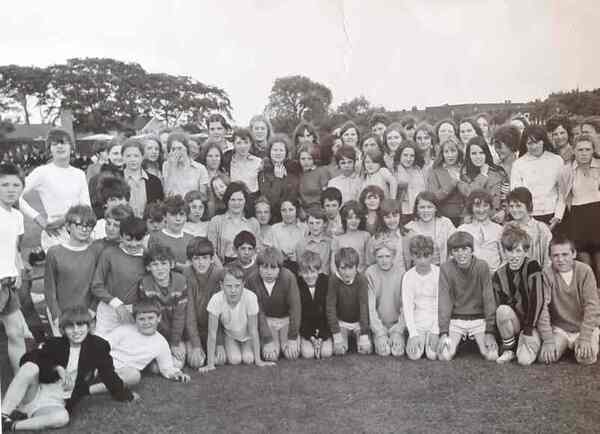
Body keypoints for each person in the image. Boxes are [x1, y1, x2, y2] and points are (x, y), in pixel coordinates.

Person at [1, 306, 136, 432]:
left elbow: (108, 375)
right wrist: (57, 368)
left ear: (88, 326)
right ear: (63, 329)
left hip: (54, 402)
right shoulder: (55, 343)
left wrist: (124, 395)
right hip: (34, 392)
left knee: (62, 417)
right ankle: (3, 415)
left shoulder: (98, 346)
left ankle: (11, 425)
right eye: (70, 326)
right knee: (30, 367)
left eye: (80, 325)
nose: (76, 331)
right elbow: (26, 359)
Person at [19, 128, 91, 251]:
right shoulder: (42, 172)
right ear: (50, 149)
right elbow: (14, 195)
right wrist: (38, 218)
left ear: (71, 147)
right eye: (55, 143)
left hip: (79, 230)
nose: (60, 146)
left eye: (63, 142)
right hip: (54, 233)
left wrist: (66, 219)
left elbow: (86, 206)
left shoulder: (79, 174)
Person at [199, 263, 276, 373]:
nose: (233, 290)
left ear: (243, 284)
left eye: (237, 286)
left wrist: (259, 361)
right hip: (230, 336)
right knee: (235, 359)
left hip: (248, 336)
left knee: (248, 359)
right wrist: (210, 364)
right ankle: (229, 349)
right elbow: (212, 333)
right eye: (229, 286)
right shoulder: (216, 299)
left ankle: (251, 351)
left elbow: (253, 330)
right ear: (221, 285)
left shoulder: (250, 297)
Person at [537, 236, 600, 365]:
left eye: (565, 254)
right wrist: (548, 340)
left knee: (586, 359)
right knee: (546, 358)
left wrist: (585, 337)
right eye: (555, 255)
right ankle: (566, 345)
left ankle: (586, 341)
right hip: (561, 329)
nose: (560, 259)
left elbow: (592, 306)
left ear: (574, 254)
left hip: (582, 327)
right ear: (550, 258)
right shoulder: (547, 274)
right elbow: (542, 308)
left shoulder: (584, 271)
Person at [437, 231, 499, 361]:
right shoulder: (446, 268)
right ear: (451, 253)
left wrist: (489, 331)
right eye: (456, 250)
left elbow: (488, 298)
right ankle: (462, 341)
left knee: (491, 355)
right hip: (456, 320)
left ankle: (472, 340)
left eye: (465, 249)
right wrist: (443, 332)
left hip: (478, 319)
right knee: (444, 356)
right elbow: (444, 300)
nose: (461, 254)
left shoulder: (482, 266)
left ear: (472, 250)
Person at [102, 300, 190, 387]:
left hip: (125, 372)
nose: (146, 323)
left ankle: (91, 389)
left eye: (150, 318)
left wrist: (177, 374)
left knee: (134, 376)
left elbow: (167, 367)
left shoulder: (160, 342)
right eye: (141, 319)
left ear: (159, 318)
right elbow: (101, 345)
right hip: (105, 364)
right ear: (135, 320)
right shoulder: (125, 330)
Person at [492, 225, 544, 365]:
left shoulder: (532, 266)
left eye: (518, 251)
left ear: (525, 251)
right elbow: (498, 306)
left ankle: (526, 344)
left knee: (524, 361)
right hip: (515, 323)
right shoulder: (499, 274)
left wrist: (529, 328)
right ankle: (509, 349)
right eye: (509, 251)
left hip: (532, 324)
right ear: (503, 252)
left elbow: (537, 299)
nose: (514, 256)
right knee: (502, 310)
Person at [44, 205, 101, 331]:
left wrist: (92, 311)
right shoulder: (54, 252)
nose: (84, 229)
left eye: (89, 226)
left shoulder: (95, 252)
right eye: (78, 224)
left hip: (87, 315)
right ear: (68, 226)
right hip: (62, 314)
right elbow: (49, 288)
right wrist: (56, 315)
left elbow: (99, 284)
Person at [91, 217, 147, 338]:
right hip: (109, 309)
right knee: (102, 346)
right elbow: (97, 286)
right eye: (128, 239)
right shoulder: (109, 254)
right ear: (121, 236)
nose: (133, 244)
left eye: (138, 240)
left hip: (135, 311)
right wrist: (117, 305)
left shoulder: (147, 256)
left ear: (145, 237)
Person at [556, 134, 600, 280]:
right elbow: (563, 198)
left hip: (597, 217)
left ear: (593, 150)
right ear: (574, 151)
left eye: (588, 149)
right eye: (580, 149)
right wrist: (557, 218)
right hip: (578, 219)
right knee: (586, 266)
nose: (584, 153)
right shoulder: (566, 171)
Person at [246, 247, 302, 361]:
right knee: (271, 356)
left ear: (280, 268)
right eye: (264, 267)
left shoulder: (288, 277)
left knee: (292, 354)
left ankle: (285, 341)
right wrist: (267, 339)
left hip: (286, 319)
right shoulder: (252, 280)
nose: (268, 272)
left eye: (273, 268)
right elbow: (258, 312)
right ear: (258, 267)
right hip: (268, 320)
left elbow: (295, 308)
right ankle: (275, 342)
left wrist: (292, 337)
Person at [138, 244, 188, 369]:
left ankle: (174, 350)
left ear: (171, 265)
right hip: (155, 333)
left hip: (175, 333)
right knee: (155, 368)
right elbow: (147, 316)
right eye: (155, 264)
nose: (160, 269)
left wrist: (175, 343)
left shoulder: (180, 281)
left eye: (164, 263)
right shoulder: (145, 283)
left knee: (177, 364)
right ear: (148, 267)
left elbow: (179, 316)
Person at [510, 125, 564, 229]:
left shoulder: (557, 160)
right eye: (530, 143)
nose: (534, 147)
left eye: (537, 142)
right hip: (529, 217)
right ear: (525, 144)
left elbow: (562, 192)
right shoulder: (518, 164)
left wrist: (558, 216)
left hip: (553, 216)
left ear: (544, 141)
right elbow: (516, 195)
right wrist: (526, 219)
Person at [0, 162, 27, 373]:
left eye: (15, 185)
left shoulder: (17, 216)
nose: (10, 189)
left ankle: (22, 382)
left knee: (16, 332)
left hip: (8, 284)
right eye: (4, 184)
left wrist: (17, 270)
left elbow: (15, 248)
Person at [183, 237, 225, 369]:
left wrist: (219, 343)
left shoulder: (218, 275)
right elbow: (189, 314)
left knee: (220, 360)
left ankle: (210, 347)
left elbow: (218, 313)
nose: (201, 263)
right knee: (197, 362)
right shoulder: (187, 274)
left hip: (213, 328)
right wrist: (195, 345)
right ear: (190, 260)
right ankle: (198, 347)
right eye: (196, 258)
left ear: (212, 259)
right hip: (193, 328)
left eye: (205, 258)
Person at [327, 247, 372, 355]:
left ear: (356, 267)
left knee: (366, 350)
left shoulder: (361, 279)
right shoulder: (333, 280)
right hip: (342, 322)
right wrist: (336, 334)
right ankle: (345, 339)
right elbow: (330, 307)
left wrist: (364, 332)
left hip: (358, 323)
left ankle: (359, 337)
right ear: (337, 268)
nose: (347, 273)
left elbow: (363, 306)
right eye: (343, 268)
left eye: (351, 268)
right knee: (339, 351)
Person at [402, 235, 440, 361]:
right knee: (414, 355)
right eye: (418, 256)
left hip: (435, 322)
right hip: (418, 323)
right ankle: (419, 339)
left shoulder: (439, 273)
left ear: (432, 255)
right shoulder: (408, 276)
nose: (422, 261)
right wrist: (413, 334)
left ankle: (438, 338)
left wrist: (435, 331)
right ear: (412, 256)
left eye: (426, 256)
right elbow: (407, 307)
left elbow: (440, 305)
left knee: (433, 355)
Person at [366, 240, 405, 356]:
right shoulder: (370, 273)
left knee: (397, 353)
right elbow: (370, 308)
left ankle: (397, 335)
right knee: (384, 352)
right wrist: (379, 332)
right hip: (379, 324)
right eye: (380, 257)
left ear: (393, 256)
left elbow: (406, 306)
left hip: (396, 324)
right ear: (375, 257)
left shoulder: (402, 273)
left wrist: (399, 330)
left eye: (388, 256)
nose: (384, 260)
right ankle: (378, 337)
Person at [207, 182, 260, 263]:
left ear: (245, 201)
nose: (236, 203)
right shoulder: (216, 221)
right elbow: (211, 251)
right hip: (224, 265)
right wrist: (222, 270)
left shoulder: (253, 222)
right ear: (227, 200)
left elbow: (257, 250)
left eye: (240, 200)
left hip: (248, 265)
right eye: (233, 200)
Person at [458, 136, 508, 221]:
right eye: (474, 153)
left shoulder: (499, 172)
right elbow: (470, 194)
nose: (478, 157)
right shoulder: (463, 175)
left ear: (486, 154)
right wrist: (482, 175)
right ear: (468, 156)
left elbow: (506, 196)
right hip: (472, 220)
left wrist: (504, 211)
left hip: (495, 219)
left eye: (481, 153)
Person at [296, 251, 332, 359]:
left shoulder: (326, 282)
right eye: (305, 273)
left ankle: (324, 341)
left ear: (319, 271)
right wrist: (310, 337)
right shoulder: (297, 284)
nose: (309, 276)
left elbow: (329, 312)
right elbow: (299, 315)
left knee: (326, 353)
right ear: (300, 272)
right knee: (308, 354)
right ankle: (305, 341)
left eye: (313, 272)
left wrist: (321, 336)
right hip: (306, 329)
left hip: (324, 328)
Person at [458, 190, 504, 272]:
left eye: (485, 205)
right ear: (471, 208)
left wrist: (497, 275)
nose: (481, 210)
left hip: (493, 278)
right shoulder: (462, 229)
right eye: (477, 206)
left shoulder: (499, 230)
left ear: (490, 207)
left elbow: (505, 258)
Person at [258, 133, 300, 223]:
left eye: (281, 150)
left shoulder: (292, 171)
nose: (278, 153)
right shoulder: (264, 173)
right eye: (275, 150)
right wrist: (278, 180)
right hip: (273, 219)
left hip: (291, 217)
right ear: (269, 152)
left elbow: (293, 196)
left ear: (286, 153)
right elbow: (270, 201)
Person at [506, 187, 552, 269]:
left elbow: (548, 259)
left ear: (528, 206)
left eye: (518, 206)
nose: (514, 210)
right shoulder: (507, 228)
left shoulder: (541, 229)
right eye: (511, 206)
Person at [405, 192, 456, 266]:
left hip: (443, 268)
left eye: (429, 207)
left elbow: (455, 245)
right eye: (422, 207)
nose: (426, 211)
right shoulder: (409, 228)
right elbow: (407, 258)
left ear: (435, 208)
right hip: (419, 269)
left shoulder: (445, 223)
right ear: (416, 209)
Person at [147, 195, 194, 271]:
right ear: (165, 216)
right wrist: (180, 266)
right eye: (173, 215)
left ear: (186, 217)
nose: (178, 219)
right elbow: (156, 262)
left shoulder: (191, 238)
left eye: (182, 215)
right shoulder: (156, 238)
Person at [427, 137, 466, 227]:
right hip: (444, 217)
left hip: (464, 217)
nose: (450, 155)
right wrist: (452, 184)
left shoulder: (464, 169)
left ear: (458, 152)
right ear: (442, 154)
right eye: (446, 152)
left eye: (453, 151)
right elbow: (434, 197)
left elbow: (469, 192)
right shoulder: (435, 171)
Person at [121, 138, 164, 218]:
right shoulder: (116, 179)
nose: (132, 160)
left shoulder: (154, 181)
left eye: (136, 156)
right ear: (123, 158)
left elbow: (158, 207)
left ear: (142, 157)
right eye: (128, 156)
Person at [162, 132, 209, 199]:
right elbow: (167, 194)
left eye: (180, 148)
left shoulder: (200, 168)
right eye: (173, 149)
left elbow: (202, 196)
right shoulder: (166, 166)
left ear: (186, 149)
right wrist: (172, 168)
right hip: (174, 206)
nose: (177, 152)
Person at [367, 199, 408, 271]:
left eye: (395, 216)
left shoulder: (409, 236)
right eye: (387, 217)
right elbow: (370, 263)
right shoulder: (375, 239)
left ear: (400, 216)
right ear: (382, 219)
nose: (392, 220)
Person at [331, 200, 371, 274]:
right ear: (344, 219)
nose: (354, 221)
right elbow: (333, 264)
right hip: (342, 277)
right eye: (350, 218)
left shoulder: (365, 236)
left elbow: (368, 262)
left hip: (360, 276)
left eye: (357, 218)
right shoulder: (338, 237)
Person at [269, 198, 307, 273]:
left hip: (301, 269)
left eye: (291, 210)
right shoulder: (274, 228)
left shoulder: (305, 228)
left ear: (297, 210)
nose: (287, 214)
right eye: (284, 210)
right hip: (280, 268)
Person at [228, 128, 263, 203]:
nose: (243, 146)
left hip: (253, 200)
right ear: (233, 144)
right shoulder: (228, 162)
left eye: (246, 142)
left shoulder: (258, 162)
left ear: (251, 143)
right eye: (239, 143)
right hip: (234, 201)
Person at [395, 141, 426, 222]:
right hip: (403, 213)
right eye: (405, 155)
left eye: (412, 156)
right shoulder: (394, 171)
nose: (408, 159)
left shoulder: (419, 170)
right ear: (400, 155)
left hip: (419, 212)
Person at [296, 207, 332, 275]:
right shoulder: (301, 244)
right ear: (307, 224)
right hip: (309, 278)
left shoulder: (330, 242)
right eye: (311, 223)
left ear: (324, 224)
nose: (314, 226)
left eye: (318, 223)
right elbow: (301, 268)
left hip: (326, 280)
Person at [298, 145, 330, 211]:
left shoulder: (321, 172)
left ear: (315, 159)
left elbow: (326, 195)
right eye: (303, 159)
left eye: (309, 159)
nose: (306, 162)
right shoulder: (298, 173)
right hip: (301, 210)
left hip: (318, 209)